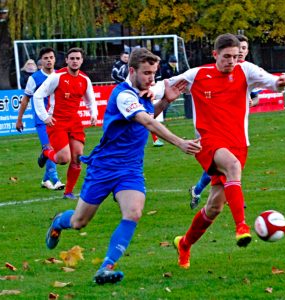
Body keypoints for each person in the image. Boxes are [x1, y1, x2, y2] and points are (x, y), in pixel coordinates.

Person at [43, 48, 201, 285]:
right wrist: (179, 142)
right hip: (104, 168)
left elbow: (148, 115)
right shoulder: (123, 95)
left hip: (130, 169)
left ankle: (106, 267)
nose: (151, 78)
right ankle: (58, 221)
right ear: (131, 70)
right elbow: (146, 120)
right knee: (79, 222)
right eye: (146, 73)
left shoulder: (142, 95)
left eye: (153, 73)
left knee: (134, 212)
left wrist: (166, 100)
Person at [166, 33, 285, 269]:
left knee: (214, 206)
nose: (232, 61)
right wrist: (149, 91)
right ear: (215, 55)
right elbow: (168, 84)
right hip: (208, 141)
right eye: (226, 57)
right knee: (232, 167)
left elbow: (269, 81)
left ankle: (184, 243)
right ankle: (241, 227)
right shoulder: (197, 74)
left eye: (235, 56)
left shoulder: (246, 70)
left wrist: (280, 83)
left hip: (238, 144)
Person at [188, 34, 255, 210]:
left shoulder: (248, 71)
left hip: (238, 134)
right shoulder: (205, 74)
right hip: (216, 134)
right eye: (232, 53)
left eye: (243, 50)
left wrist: (250, 101)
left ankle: (199, 192)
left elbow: (254, 98)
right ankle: (240, 218)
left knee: (214, 204)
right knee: (228, 166)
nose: (239, 54)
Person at [33, 47, 98, 199]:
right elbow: (37, 95)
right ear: (67, 60)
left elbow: (91, 101)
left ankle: (68, 192)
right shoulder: (57, 76)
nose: (75, 61)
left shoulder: (85, 79)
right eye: (72, 58)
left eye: (78, 58)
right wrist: (44, 116)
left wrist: (93, 114)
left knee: (78, 157)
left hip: (74, 121)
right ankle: (46, 152)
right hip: (57, 121)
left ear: (82, 61)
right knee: (63, 159)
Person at [16, 47, 65, 190]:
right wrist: (19, 119)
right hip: (41, 120)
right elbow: (25, 100)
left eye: (51, 57)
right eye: (45, 58)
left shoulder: (60, 76)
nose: (49, 60)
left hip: (57, 119)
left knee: (55, 149)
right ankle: (55, 180)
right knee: (51, 148)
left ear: (55, 59)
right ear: (41, 62)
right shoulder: (34, 78)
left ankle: (45, 179)